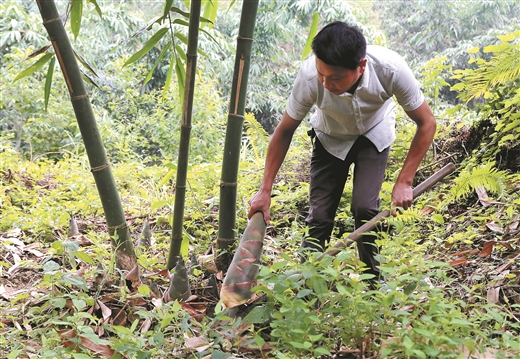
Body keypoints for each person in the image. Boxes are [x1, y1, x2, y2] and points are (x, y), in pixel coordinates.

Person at [248, 21, 436, 280]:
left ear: (361, 66)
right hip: (330, 138)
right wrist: (264, 190)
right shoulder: (309, 78)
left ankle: (374, 281)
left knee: (365, 209)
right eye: (322, 74)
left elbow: (427, 122)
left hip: (373, 134)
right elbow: (284, 131)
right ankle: (307, 284)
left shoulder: (390, 69)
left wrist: (404, 181)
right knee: (320, 217)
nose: (326, 84)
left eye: (335, 78)